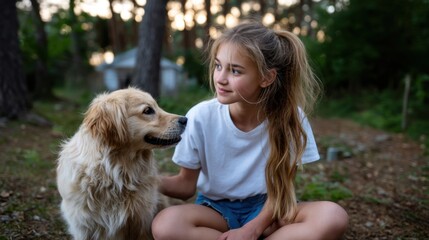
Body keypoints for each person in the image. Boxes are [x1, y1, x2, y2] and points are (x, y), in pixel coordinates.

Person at [151, 21, 349, 240]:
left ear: (266, 78)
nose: (221, 78)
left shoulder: (290, 118)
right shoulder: (200, 116)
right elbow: (186, 186)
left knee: (333, 216)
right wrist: (143, 179)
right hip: (214, 210)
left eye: (235, 70)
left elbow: (282, 190)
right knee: (165, 225)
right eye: (218, 66)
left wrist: (251, 230)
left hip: (269, 212)